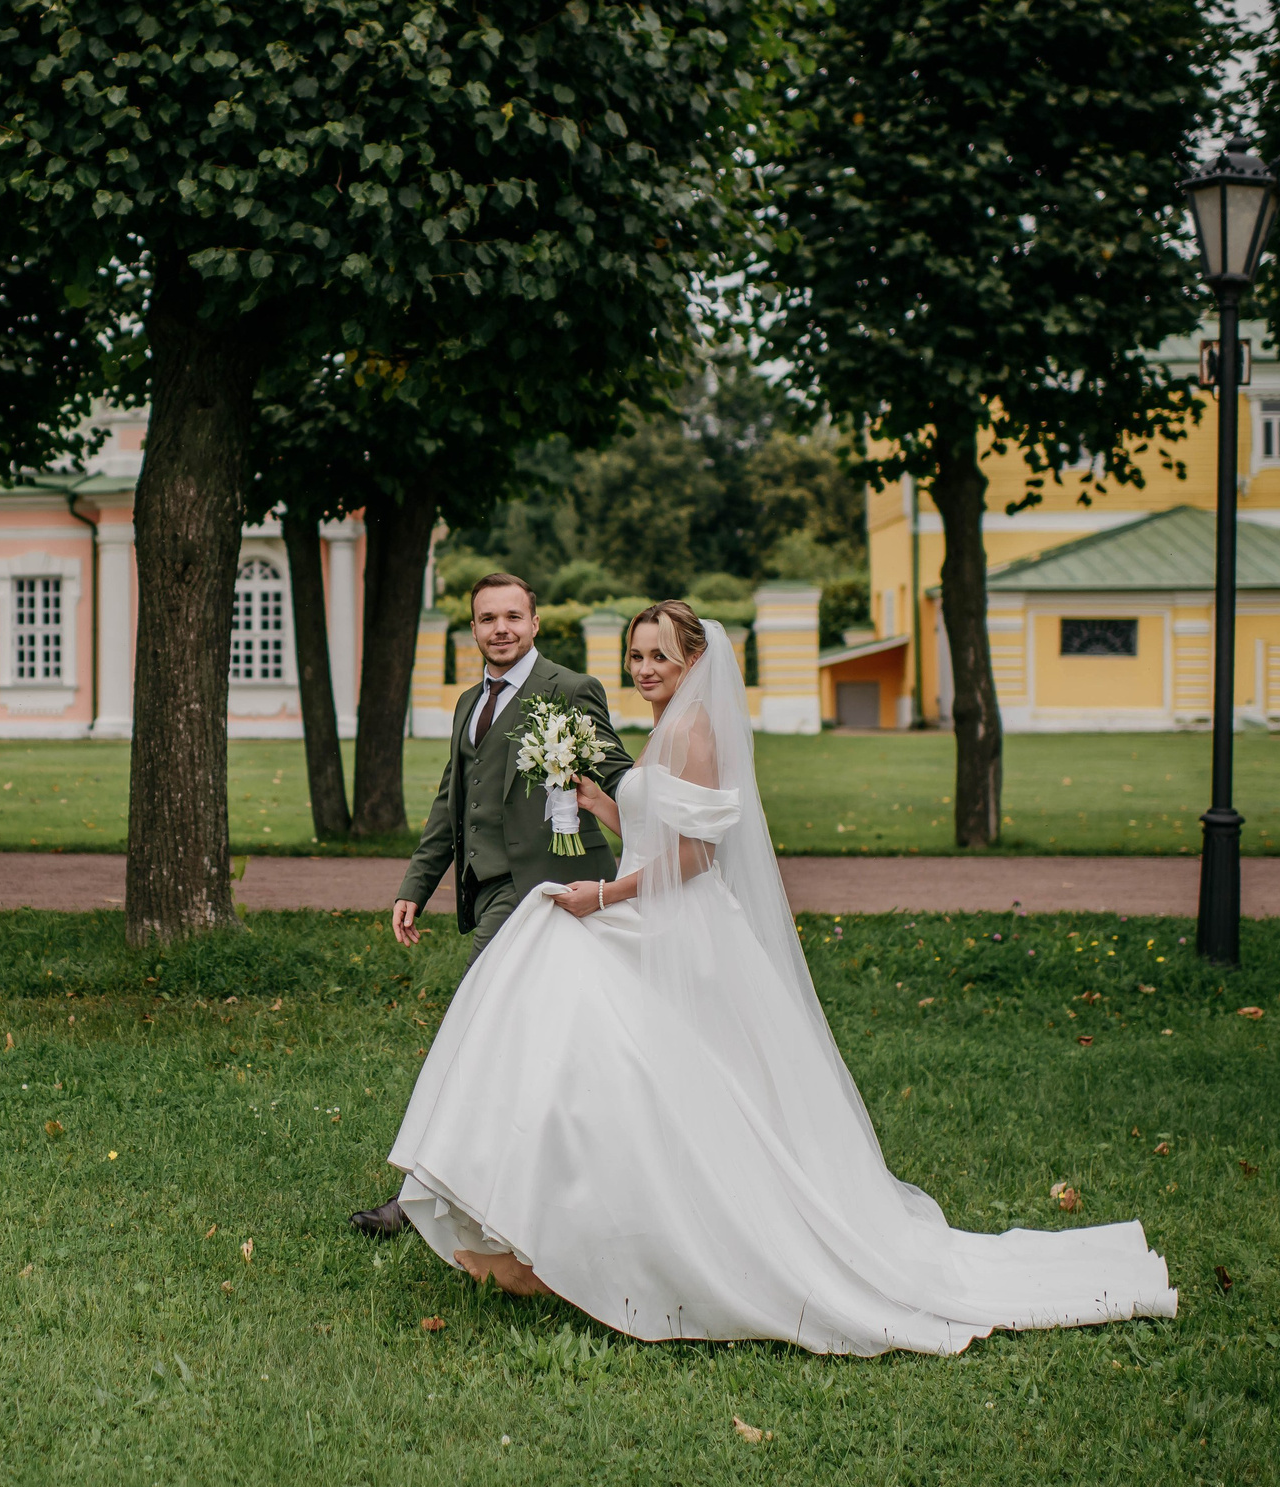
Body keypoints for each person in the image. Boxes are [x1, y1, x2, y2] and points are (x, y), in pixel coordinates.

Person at [380, 599, 1179, 1354]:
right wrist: (600, 802)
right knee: (609, 1033)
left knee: (663, 1060)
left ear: (694, 658)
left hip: (681, 923)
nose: (644, 666)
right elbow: (667, 828)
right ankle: (561, 1213)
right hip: (656, 908)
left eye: (660, 654)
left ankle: (650, 1230)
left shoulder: (693, 730)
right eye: (636, 653)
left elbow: (696, 857)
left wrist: (604, 892)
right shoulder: (668, 726)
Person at [349, 571, 632, 1239]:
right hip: (492, 887)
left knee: (472, 1032)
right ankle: (527, 1188)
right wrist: (416, 885)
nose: (500, 628)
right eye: (486, 618)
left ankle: (420, 1197)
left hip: (546, 890)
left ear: (535, 623)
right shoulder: (468, 702)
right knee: (537, 1046)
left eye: (512, 616)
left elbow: (615, 768)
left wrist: (658, 815)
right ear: (473, 628)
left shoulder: (569, 689)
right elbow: (454, 797)